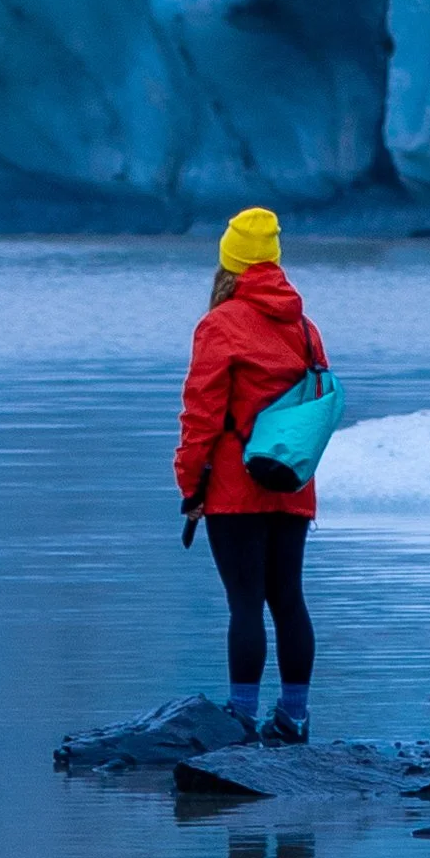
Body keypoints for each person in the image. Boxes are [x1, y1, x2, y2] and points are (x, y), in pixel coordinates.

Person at [173, 206, 327, 744]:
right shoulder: (304, 327)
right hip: (292, 483)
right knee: (289, 600)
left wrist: (190, 485)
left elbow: (202, 414)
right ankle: (295, 717)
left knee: (245, 603)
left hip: (235, 489)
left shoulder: (219, 325)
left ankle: (241, 717)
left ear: (230, 263)